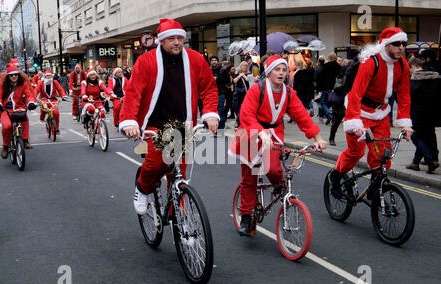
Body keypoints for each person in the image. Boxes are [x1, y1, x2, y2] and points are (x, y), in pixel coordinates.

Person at [119, 18, 219, 215]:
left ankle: (178, 221)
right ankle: (143, 188)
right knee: (157, 162)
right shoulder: (146, 61)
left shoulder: (196, 59)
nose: (177, 42)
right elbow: (133, 93)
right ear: (161, 41)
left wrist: (210, 114)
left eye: (180, 38)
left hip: (183, 124)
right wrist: (129, 120)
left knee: (178, 175)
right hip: (154, 123)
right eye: (171, 38)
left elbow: (209, 89)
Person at [228, 55, 327, 236]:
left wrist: (318, 138)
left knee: (273, 169)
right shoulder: (257, 90)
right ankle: (246, 216)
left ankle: (280, 190)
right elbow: (246, 115)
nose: (281, 73)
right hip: (250, 134)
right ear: (269, 72)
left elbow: (302, 117)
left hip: (273, 135)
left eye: (283, 70)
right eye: (277, 70)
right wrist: (259, 132)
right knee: (250, 177)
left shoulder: (288, 93)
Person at [330, 27, 413, 199]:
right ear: (386, 45)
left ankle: (375, 188)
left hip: (381, 113)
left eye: (403, 44)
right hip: (360, 111)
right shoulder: (371, 62)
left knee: (383, 155)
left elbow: (404, 94)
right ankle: (336, 176)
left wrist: (405, 122)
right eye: (396, 44)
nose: (401, 48)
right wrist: (355, 122)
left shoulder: (403, 64)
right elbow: (355, 94)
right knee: (356, 152)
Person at [0, 63, 37, 158]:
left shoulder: (23, 84)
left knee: (25, 119)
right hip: (6, 109)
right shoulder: (3, 84)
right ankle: (5, 146)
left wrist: (31, 103)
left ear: (18, 75)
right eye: (11, 75)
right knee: (7, 126)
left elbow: (28, 95)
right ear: (8, 76)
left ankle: (25, 140)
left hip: (19, 107)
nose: (14, 76)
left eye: (16, 74)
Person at [405, 56, 440, 173]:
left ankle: (431, 161)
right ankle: (416, 162)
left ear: (413, 66)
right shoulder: (435, 77)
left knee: (416, 136)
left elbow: (409, 98)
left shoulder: (415, 81)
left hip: (417, 114)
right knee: (427, 136)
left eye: (410, 69)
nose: (409, 72)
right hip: (432, 113)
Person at [35, 69, 67, 135]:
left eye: (50, 76)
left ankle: (57, 128)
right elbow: (36, 90)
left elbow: (60, 89)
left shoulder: (55, 82)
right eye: (47, 76)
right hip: (44, 99)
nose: (48, 77)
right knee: (44, 106)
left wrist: (63, 96)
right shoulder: (41, 82)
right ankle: (42, 117)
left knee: (56, 113)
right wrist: (33, 99)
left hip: (53, 100)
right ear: (44, 76)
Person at [317, 52, 341, 125]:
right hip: (334, 88)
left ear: (329, 58)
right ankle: (332, 117)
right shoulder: (338, 66)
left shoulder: (325, 66)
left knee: (323, 102)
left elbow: (320, 78)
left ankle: (329, 115)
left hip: (325, 88)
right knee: (332, 103)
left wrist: (319, 89)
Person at [232, 61, 250, 128]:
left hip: (246, 92)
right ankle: (237, 120)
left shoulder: (249, 74)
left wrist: (244, 76)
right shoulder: (237, 74)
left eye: (246, 66)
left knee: (245, 107)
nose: (245, 67)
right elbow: (234, 81)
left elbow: (249, 80)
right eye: (243, 66)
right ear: (240, 66)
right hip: (238, 92)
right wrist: (240, 76)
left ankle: (241, 121)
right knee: (237, 106)